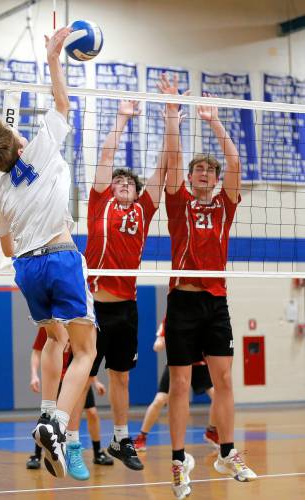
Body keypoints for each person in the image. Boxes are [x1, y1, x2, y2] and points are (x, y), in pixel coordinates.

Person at [0, 27, 96, 480]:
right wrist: (53, 57)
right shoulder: (39, 150)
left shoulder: (0, 193)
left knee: (54, 339)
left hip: (26, 268)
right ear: (19, 145)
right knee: (85, 352)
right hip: (60, 259)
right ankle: (59, 425)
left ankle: (45, 414)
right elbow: (62, 105)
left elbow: (4, 245)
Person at [162, 74, 257, 498]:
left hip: (216, 303)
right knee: (179, 384)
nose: (202, 174)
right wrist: (173, 118)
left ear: (216, 179)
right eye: (197, 169)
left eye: (208, 170)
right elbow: (173, 162)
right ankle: (180, 461)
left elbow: (235, 164)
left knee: (225, 382)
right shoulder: (178, 201)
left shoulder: (225, 204)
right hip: (182, 301)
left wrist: (215, 123)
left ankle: (227, 452)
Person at [84, 87, 169, 471]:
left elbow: (162, 172)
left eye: (128, 183)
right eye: (117, 181)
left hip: (127, 309)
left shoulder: (142, 211)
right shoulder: (100, 202)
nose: (121, 184)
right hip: (91, 306)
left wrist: (170, 119)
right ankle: (68, 439)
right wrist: (122, 119)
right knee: (79, 375)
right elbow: (105, 156)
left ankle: (121, 438)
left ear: (136, 194)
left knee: (121, 378)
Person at [26, 327, 113, 477]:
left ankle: (98, 452)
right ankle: (36, 455)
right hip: (57, 380)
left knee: (92, 412)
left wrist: (96, 382)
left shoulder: (78, 325)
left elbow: (85, 360)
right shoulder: (49, 327)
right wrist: (34, 375)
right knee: (49, 416)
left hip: (76, 380)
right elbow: (37, 351)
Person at [133, 320, 219, 452]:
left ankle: (211, 431)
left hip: (199, 364)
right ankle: (142, 437)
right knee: (160, 400)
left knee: (217, 396)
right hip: (177, 363)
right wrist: (159, 342)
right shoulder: (172, 315)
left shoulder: (203, 312)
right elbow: (159, 341)